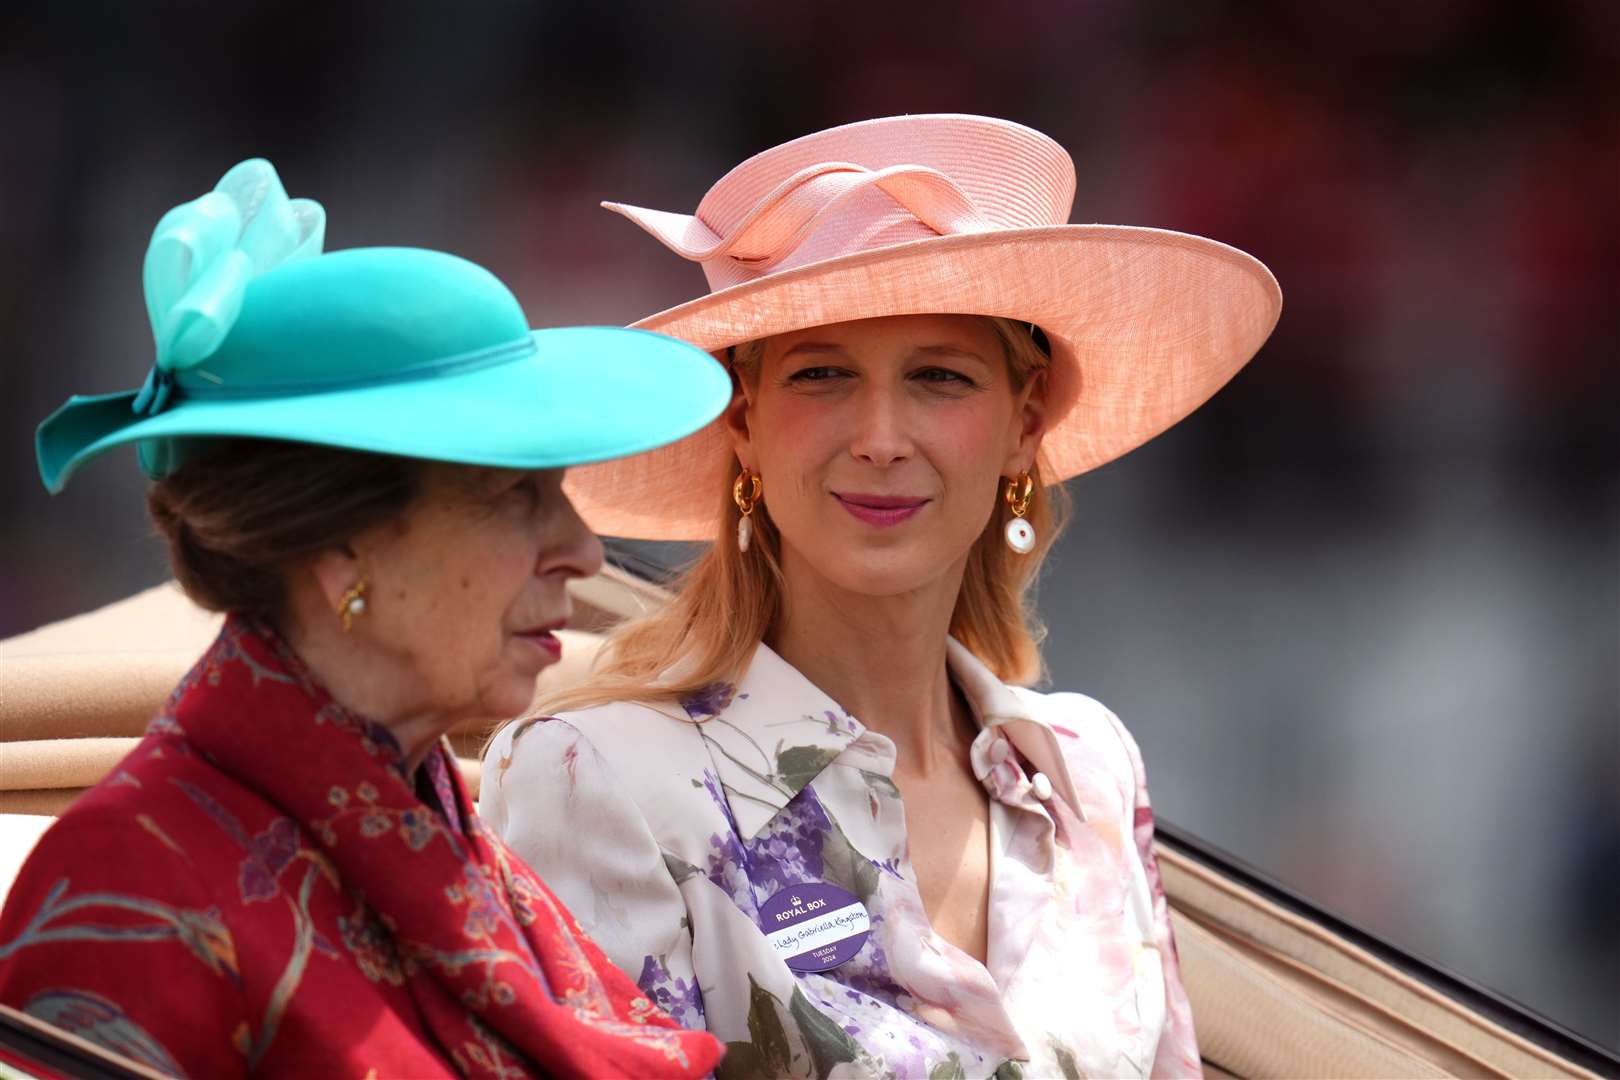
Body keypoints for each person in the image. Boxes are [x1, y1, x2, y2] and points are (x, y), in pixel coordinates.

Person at [481, 115, 1281, 1078]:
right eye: (822, 375)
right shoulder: (595, 776)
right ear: (745, 421)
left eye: (939, 377)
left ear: (1025, 425)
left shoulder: (1089, 771)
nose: (881, 436)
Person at [0, 158, 729, 1078]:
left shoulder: (443, 835)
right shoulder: (131, 881)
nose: (582, 553)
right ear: (340, 548)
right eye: (513, 496)